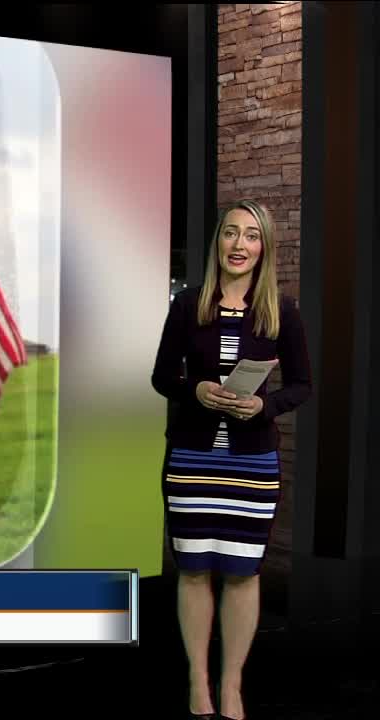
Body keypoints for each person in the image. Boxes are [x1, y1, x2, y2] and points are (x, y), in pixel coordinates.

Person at [151, 199, 311, 720]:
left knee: (243, 574)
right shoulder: (189, 305)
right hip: (193, 460)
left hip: (252, 465)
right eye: (230, 234)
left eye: (250, 236)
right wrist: (194, 389)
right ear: (217, 242)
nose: (239, 245)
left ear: (264, 247)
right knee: (194, 571)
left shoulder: (282, 311)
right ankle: (198, 680)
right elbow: (161, 378)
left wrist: (266, 404)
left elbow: (303, 385)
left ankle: (232, 684)